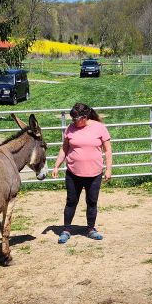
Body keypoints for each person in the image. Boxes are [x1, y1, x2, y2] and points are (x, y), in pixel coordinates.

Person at [51, 102, 113, 243]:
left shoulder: (100, 128)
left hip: (94, 174)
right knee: (71, 201)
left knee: (92, 202)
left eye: (75, 119)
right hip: (73, 173)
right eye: (72, 119)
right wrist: (56, 166)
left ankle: (91, 229)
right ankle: (66, 229)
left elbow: (108, 150)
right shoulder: (70, 129)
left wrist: (108, 169)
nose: (73, 121)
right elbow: (64, 149)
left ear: (84, 117)